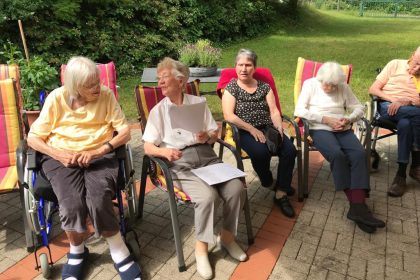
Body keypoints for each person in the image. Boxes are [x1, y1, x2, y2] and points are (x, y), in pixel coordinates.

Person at [27, 56, 141, 280]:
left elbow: (125, 132)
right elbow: (33, 138)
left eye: (97, 82)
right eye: (90, 86)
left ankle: (118, 248)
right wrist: (60, 154)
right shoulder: (56, 99)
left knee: (98, 199)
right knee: (71, 203)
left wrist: (99, 150)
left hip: (99, 155)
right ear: (75, 88)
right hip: (61, 158)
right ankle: (77, 251)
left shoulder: (106, 96)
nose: (97, 88)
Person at [142, 57, 247, 280]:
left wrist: (207, 136)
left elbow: (213, 134)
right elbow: (148, 146)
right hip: (180, 162)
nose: (159, 83)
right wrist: (164, 152)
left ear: (181, 81)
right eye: (158, 79)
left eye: (164, 78)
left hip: (207, 157)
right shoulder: (158, 111)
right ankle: (201, 249)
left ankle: (227, 238)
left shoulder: (197, 103)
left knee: (237, 187)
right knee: (208, 197)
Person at [294, 61, 385, 233]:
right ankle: (358, 205)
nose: (329, 87)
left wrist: (348, 119)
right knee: (337, 154)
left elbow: (358, 107)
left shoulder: (343, 86)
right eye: (326, 84)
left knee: (359, 154)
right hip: (319, 128)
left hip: (342, 129)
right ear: (320, 79)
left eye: (333, 85)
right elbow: (300, 110)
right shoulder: (311, 84)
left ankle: (356, 209)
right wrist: (325, 119)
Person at [221, 49, 296, 218]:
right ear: (235, 66)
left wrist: (279, 128)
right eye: (240, 65)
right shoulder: (231, 88)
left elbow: (274, 110)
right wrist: (251, 129)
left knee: (290, 150)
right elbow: (229, 115)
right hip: (243, 130)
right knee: (261, 153)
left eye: (248, 65)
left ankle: (281, 192)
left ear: (254, 67)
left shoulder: (264, 87)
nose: (244, 69)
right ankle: (268, 182)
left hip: (267, 127)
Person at [369, 47, 420, 197]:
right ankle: (416, 164)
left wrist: (408, 102)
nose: (417, 69)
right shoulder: (395, 64)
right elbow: (373, 89)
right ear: (411, 56)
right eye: (416, 63)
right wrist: (395, 101)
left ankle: (401, 175)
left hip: (410, 111)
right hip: (387, 107)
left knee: (406, 124)